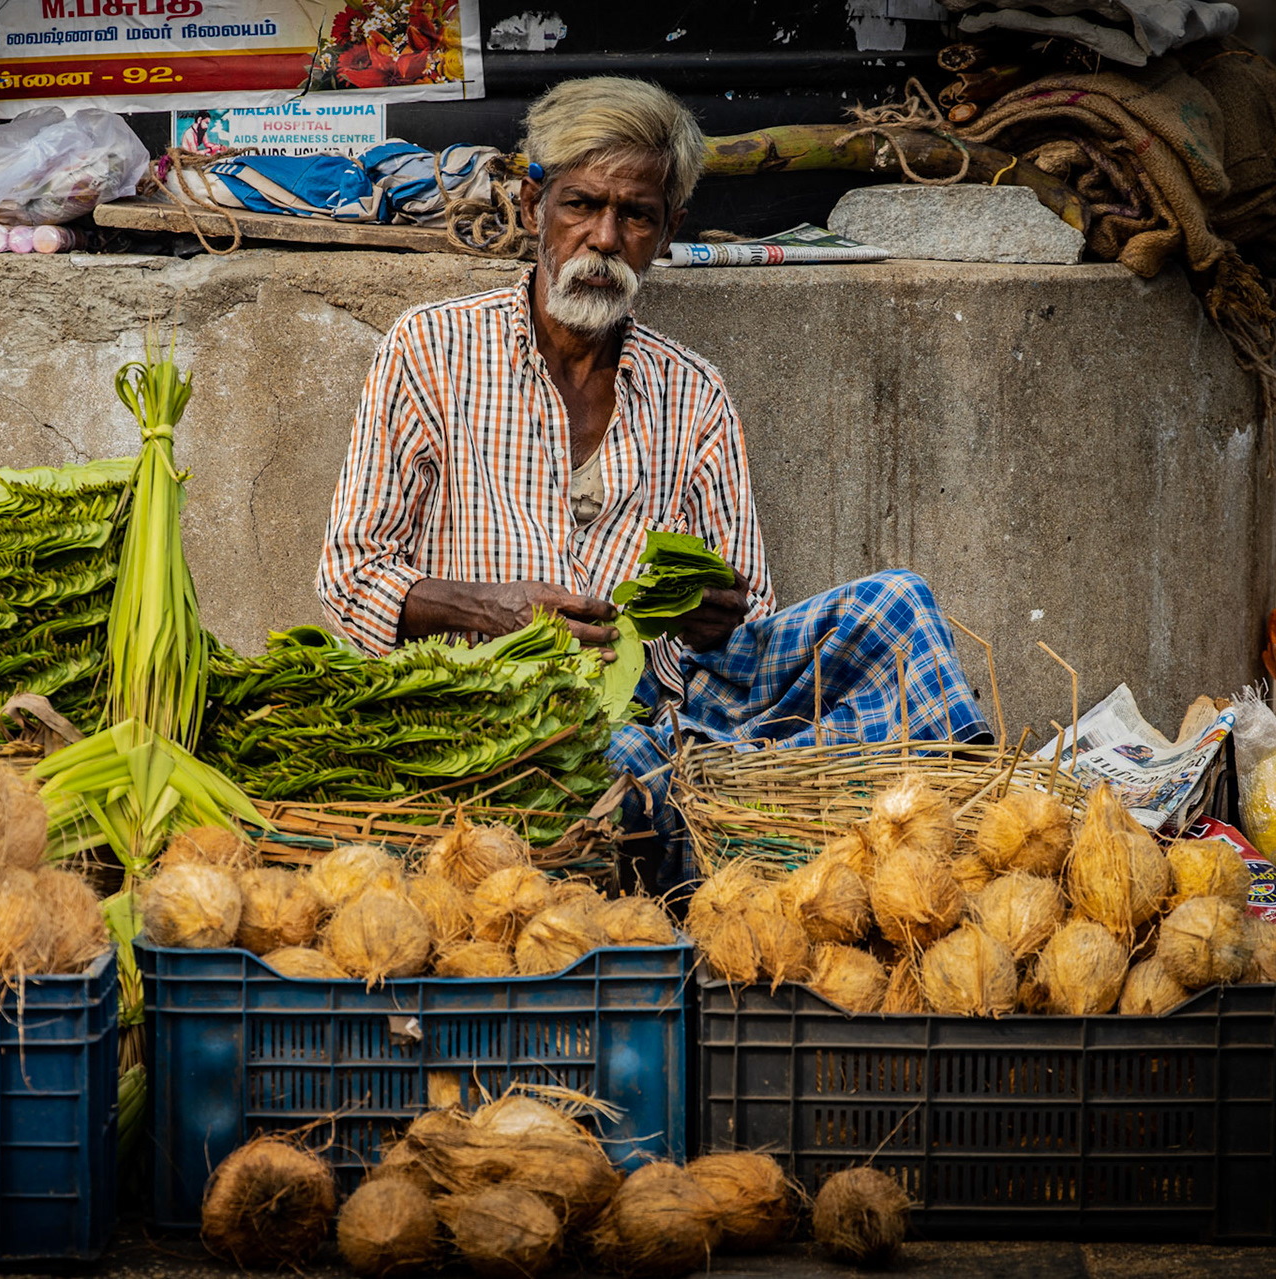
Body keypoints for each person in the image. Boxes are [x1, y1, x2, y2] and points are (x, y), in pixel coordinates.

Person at [316, 77, 988, 886]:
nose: (603, 237)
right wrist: (492, 610)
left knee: (895, 606)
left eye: (634, 215)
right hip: (496, 717)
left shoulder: (693, 391)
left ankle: (954, 831)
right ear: (535, 206)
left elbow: (753, 625)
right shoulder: (431, 349)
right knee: (627, 768)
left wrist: (714, 620)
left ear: (667, 231)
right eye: (580, 205)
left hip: (673, 713)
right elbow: (350, 576)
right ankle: (740, 814)